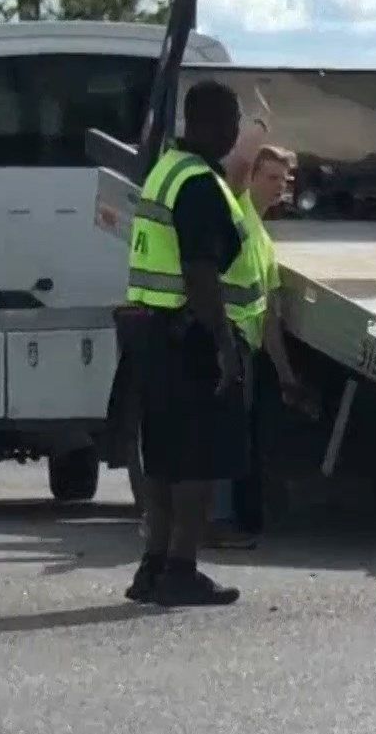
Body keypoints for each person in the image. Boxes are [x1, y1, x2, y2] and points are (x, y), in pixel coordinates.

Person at [116, 80, 260, 606]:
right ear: (211, 123)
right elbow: (199, 272)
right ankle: (180, 568)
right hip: (190, 335)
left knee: (163, 458)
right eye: (233, 121)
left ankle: (152, 567)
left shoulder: (165, 171)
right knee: (196, 461)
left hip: (152, 332)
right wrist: (224, 344)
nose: (236, 131)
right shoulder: (198, 183)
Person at [207, 142, 307, 549]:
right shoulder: (237, 214)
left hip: (245, 348)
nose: (277, 187)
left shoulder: (264, 241)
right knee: (220, 434)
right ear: (251, 178)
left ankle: (221, 517)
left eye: (283, 181)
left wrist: (285, 375)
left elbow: (269, 316)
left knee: (231, 435)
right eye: (269, 177)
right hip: (223, 341)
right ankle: (216, 521)